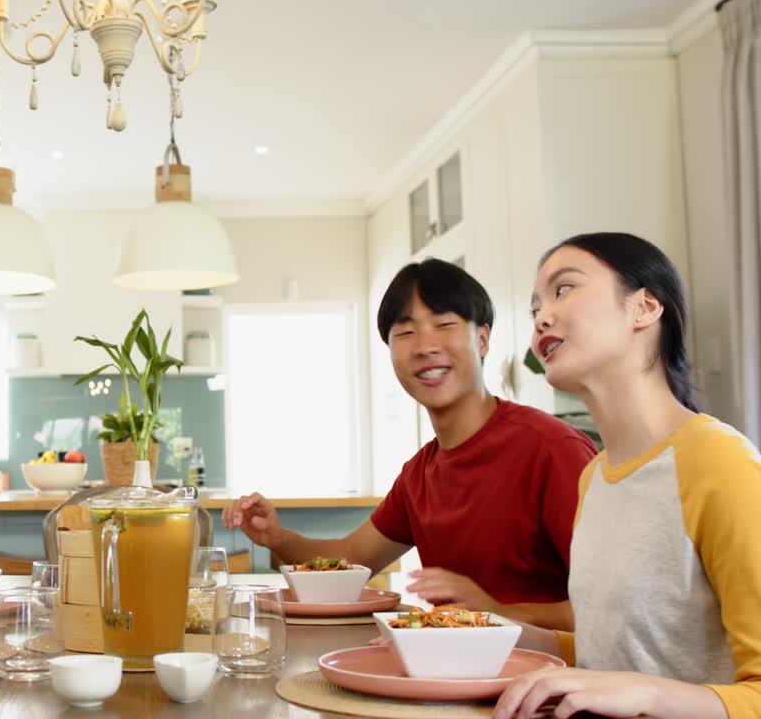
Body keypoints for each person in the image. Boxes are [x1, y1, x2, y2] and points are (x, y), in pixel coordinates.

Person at [223, 259, 596, 630]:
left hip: (546, 681)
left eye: (444, 324)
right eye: (405, 333)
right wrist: (277, 537)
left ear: (482, 339)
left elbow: (619, 609)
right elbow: (351, 557)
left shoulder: (552, 449)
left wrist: (492, 611)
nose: (425, 346)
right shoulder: (420, 474)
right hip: (455, 675)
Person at [494, 233, 761, 718]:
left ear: (644, 308)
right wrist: (493, 631)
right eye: (534, 308)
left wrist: (648, 693)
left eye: (563, 289)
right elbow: (617, 656)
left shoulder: (721, 463)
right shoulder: (594, 477)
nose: (541, 319)